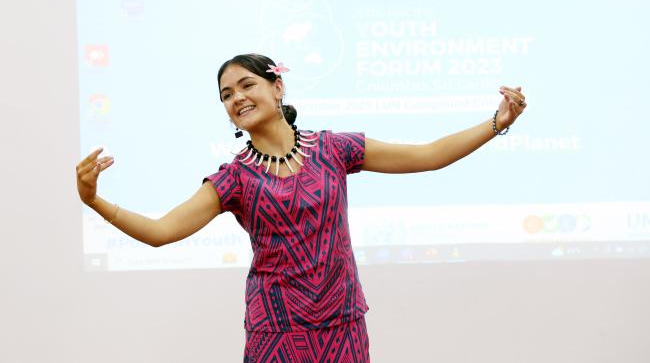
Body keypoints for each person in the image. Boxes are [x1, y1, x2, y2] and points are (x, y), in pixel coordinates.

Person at [76, 53, 527, 362]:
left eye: (246, 85)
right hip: (276, 333)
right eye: (226, 95)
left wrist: (496, 123)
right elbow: (161, 231)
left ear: (278, 87)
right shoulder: (234, 178)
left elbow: (428, 155)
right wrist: (94, 200)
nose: (237, 98)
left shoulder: (334, 149)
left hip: (342, 324)